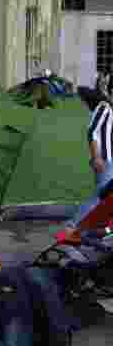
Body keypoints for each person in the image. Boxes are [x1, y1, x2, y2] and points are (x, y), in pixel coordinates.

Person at [58, 86, 113, 238]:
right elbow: (92, 131)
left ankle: (95, 228)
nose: (83, 105)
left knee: (105, 197)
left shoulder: (106, 108)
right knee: (102, 196)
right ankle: (72, 226)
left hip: (107, 160)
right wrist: (96, 157)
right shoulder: (104, 107)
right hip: (104, 159)